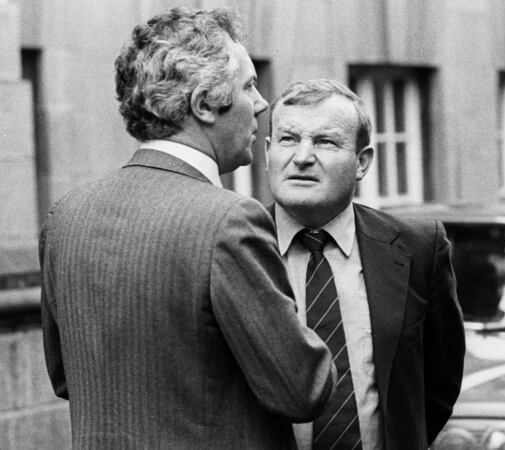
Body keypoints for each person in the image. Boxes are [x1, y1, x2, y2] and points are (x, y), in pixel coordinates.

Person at [39, 7, 336, 448]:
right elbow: (302, 389)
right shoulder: (230, 220)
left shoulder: (66, 214)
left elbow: (66, 378)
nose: (261, 105)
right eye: (249, 86)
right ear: (203, 105)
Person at [265, 78, 465, 449]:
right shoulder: (235, 248)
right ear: (267, 151)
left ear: (362, 162)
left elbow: (439, 384)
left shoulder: (418, 249)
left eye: (325, 141)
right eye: (288, 139)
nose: (303, 156)